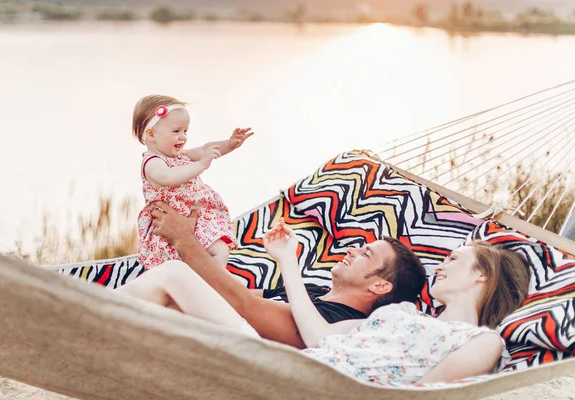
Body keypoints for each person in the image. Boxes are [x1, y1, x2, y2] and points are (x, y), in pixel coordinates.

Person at [116, 202, 427, 349]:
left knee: (174, 274)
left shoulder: (338, 318)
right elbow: (241, 294)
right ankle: (87, 326)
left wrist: (186, 242)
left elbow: (244, 306)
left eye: (366, 254)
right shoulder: (313, 290)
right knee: (168, 300)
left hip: (251, 357)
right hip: (218, 340)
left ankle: (79, 317)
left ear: (379, 284)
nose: (352, 251)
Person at [262, 220, 531, 384]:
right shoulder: (400, 313)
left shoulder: (481, 341)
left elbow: (421, 395)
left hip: (323, 387)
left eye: (453, 259)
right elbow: (319, 336)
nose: (439, 267)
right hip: (288, 368)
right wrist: (287, 259)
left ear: (482, 273)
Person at [131, 94, 253, 269]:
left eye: (185, 131)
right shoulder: (153, 163)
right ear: (151, 134)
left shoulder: (180, 154)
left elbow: (205, 149)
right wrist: (202, 164)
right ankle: (215, 284)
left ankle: (214, 283)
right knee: (206, 256)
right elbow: (169, 177)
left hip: (195, 220)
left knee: (220, 250)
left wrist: (229, 144)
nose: (183, 137)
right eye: (176, 131)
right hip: (169, 229)